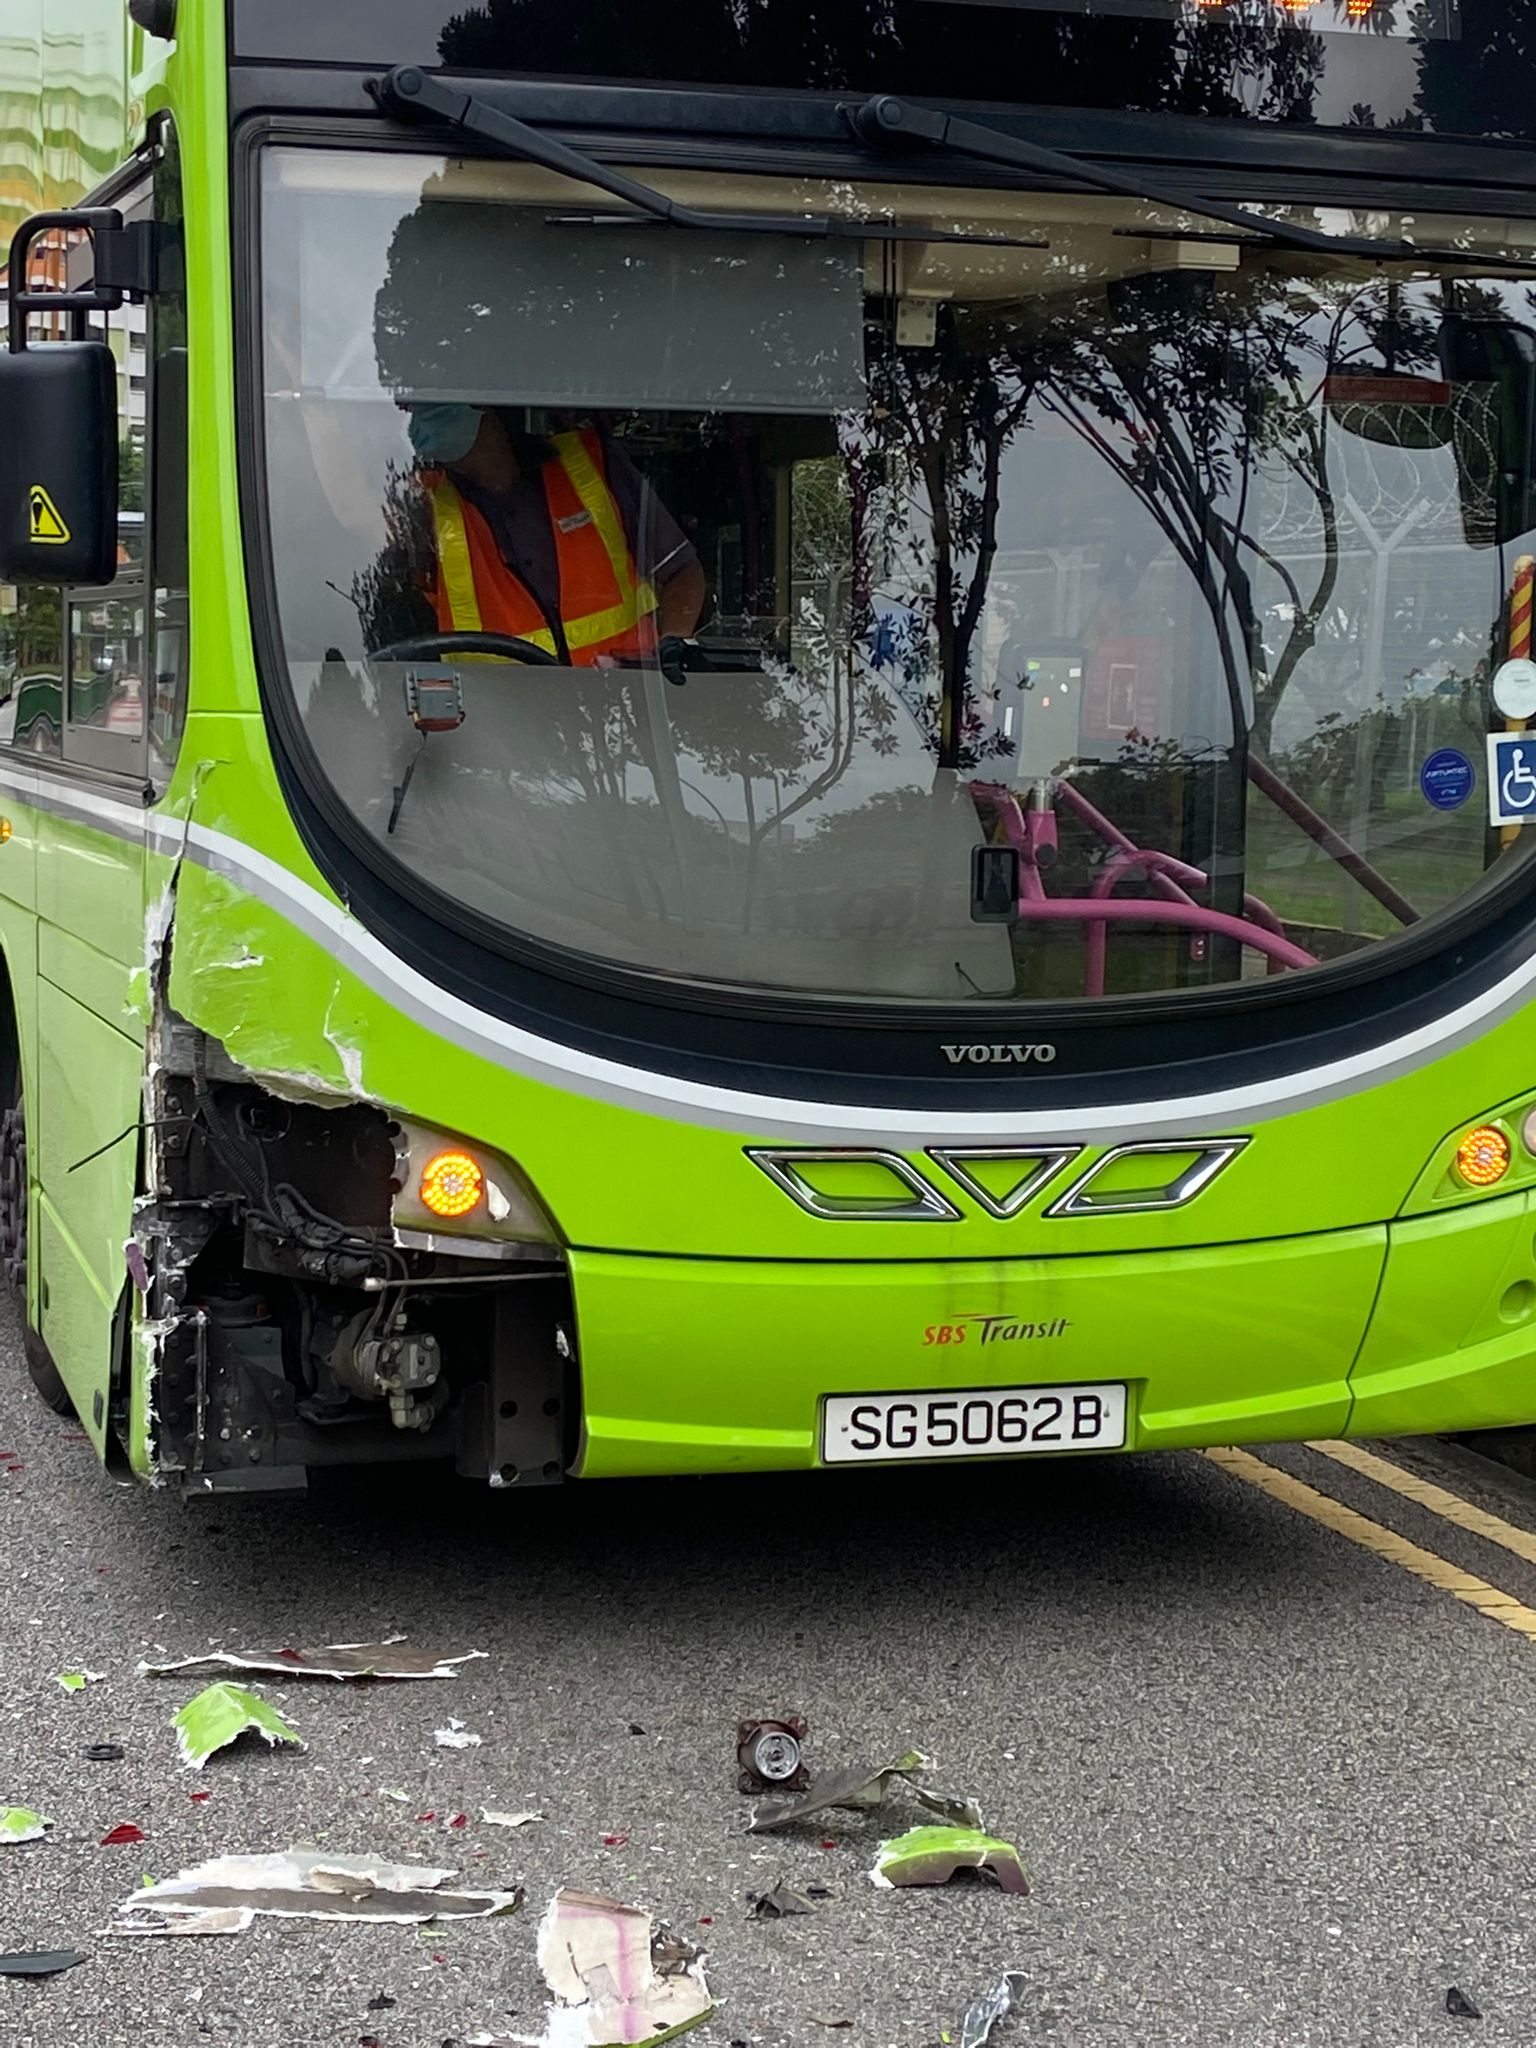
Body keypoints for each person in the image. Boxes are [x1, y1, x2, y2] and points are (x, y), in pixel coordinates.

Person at [405, 401, 707, 667]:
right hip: (496, 712)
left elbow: (681, 571)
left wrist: (673, 647)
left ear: (484, 404)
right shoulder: (419, 508)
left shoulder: (594, 466)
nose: (417, 422)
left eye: (432, 407)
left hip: (627, 702)